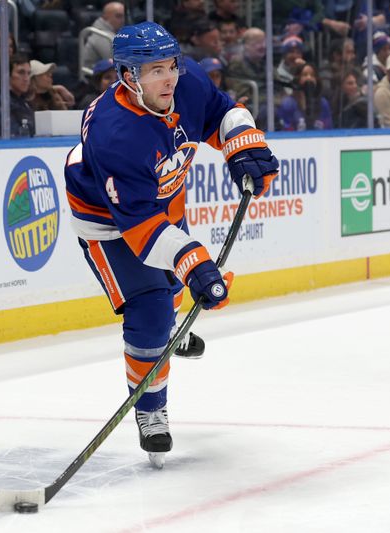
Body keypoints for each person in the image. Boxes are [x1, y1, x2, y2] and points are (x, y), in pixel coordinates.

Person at [63, 21, 278, 466]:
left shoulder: (186, 81)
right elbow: (141, 229)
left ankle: (168, 331)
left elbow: (221, 112)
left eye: (171, 66)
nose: (169, 78)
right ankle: (151, 409)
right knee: (151, 309)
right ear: (128, 76)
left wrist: (243, 146)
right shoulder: (116, 133)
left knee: (174, 290)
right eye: (155, 70)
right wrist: (195, 262)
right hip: (109, 223)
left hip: (165, 200)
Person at [0, 54, 34, 137]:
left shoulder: (23, 101)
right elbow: (16, 135)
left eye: (29, 73)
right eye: (21, 73)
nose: (26, 78)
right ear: (7, 75)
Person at [277, 62, 332, 130]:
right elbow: (284, 130)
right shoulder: (288, 103)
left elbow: (328, 128)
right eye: (305, 75)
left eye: (312, 75)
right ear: (298, 79)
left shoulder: (323, 103)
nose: (309, 78)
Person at [81, 1, 125, 72]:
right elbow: (113, 61)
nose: (122, 20)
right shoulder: (101, 36)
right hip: (95, 77)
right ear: (105, 16)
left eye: (123, 16)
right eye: (118, 16)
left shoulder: (114, 33)